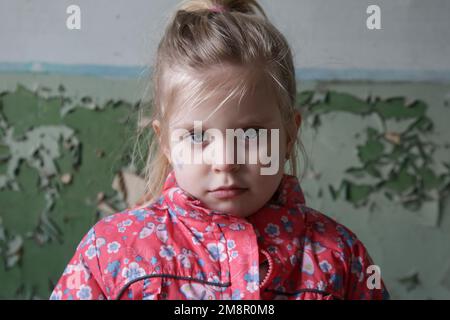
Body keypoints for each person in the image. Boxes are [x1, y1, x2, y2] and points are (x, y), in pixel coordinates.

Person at [50, 0, 389, 300]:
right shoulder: (112, 252)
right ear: (166, 141)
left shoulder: (341, 258)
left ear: (288, 136)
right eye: (197, 136)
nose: (225, 161)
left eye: (252, 133)